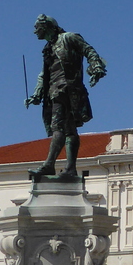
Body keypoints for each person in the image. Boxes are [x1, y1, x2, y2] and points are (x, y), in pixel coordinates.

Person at [24, 14, 106, 177]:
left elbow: (88, 50)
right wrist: (37, 94)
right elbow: (44, 74)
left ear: (46, 26)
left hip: (67, 89)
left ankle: (49, 165)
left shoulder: (69, 38)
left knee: (58, 127)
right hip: (54, 92)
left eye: (37, 28)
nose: (35, 32)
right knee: (69, 130)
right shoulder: (48, 48)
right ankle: (70, 169)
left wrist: (96, 66)